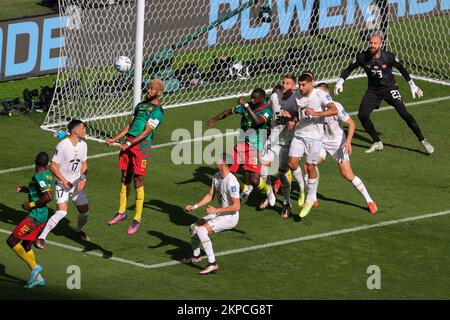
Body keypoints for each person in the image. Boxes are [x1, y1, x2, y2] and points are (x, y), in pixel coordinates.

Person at [333, 32, 434, 154]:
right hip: (373, 90)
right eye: (370, 42)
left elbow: (401, 69)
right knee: (362, 115)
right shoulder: (362, 57)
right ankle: (377, 142)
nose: (372, 45)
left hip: (390, 88)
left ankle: (423, 140)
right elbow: (349, 69)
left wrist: (412, 85)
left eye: (375, 43)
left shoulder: (388, 57)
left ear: (381, 44)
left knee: (404, 113)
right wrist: (340, 81)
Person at [106, 79, 165, 235]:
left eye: (152, 89)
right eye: (148, 88)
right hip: (129, 142)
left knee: (138, 179)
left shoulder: (158, 111)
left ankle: (137, 218)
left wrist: (130, 143)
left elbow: (146, 132)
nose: (148, 91)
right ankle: (121, 212)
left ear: (159, 92)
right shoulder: (140, 105)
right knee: (125, 176)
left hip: (141, 146)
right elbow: (129, 125)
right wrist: (115, 138)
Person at [314, 83, 377, 214]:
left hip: (338, 143)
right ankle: (312, 197)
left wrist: (348, 142)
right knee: (309, 166)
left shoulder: (336, 106)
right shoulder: (314, 105)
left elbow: (351, 123)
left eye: (320, 93)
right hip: (322, 142)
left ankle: (369, 200)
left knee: (347, 175)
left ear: (327, 94)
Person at [208, 88, 275, 207]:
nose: (252, 99)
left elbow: (258, 121)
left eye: (255, 98)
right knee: (226, 169)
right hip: (241, 144)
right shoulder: (246, 106)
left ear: (262, 99)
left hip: (255, 147)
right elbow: (228, 112)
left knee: (255, 180)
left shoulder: (267, 110)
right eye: (252, 97)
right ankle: (245, 189)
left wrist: (246, 105)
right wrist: (215, 119)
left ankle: (269, 191)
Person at [284, 73, 338, 218]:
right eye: (299, 85)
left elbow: (334, 110)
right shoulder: (296, 95)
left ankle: (310, 198)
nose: (300, 88)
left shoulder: (320, 95)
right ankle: (302, 189)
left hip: (314, 137)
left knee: (310, 167)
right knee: (292, 163)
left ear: (311, 84)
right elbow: (297, 112)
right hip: (300, 133)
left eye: (303, 85)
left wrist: (316, 113)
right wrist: (293, 120)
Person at [182, 153, 240, 275]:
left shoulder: (232, 182)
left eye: (218, 159)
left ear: (223, 163)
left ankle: (212, 263)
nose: (215, 160)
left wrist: (216, 211)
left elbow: (236, 206)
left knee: (202, 231)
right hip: (220, 213)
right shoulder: (217, 176)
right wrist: (195, 206)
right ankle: (196, 256)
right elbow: (210, 195)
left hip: (230, 216)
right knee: (194, 227)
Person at [36, 120, 90, 249]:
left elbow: (84, 164)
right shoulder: (62, 145)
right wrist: (64, 181)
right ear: (76, 131)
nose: (85, 131)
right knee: (62, 213)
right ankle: (41, 237)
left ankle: (77, 230)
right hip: (62, 185)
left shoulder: (84, 145)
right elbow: (53, 166)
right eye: (83, 129)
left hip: (77, 184)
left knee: (85, 213)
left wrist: (83, 179)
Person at [7, 152, 53, 288]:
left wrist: (30, 205)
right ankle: (38, 278)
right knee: (27, 245)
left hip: (35, 216)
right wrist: (27, 190)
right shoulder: (47, 174)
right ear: (47, 163)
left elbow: (48, 196)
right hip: (42, 215)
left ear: (35, 162)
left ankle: (34, 268)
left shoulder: (39, 176)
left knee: (12, 241)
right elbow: (40, 191)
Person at [260, 75, 298, 217]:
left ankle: (287, 203)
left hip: (286, 143)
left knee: (282, 174)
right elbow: (269, 112)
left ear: (294, 86)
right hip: (272, 140)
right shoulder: (274, 97)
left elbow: (301, 118)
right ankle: (270, 193)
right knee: (263, 170)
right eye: (283, 82)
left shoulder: (297, 100)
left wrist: (293, 120)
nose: (284, 85)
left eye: (288, 83)